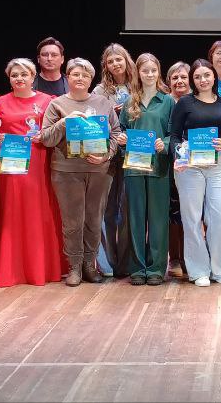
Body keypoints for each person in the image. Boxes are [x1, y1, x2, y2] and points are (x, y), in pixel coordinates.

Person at [40, 57, 122, 286]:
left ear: (91, 79)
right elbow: (46, 139)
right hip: (66, 171)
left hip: (99, 170)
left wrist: (106, 155)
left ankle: (89, 264)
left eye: (85, 75)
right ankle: (74, 266)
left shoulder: (103, 103)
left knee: (94, 219)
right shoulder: (56, 104)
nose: (80, 78)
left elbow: (116, 134)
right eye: (75, 74)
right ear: (67, 77)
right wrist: (64, 122)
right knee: (73, 221)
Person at [0, 58, 66, 287]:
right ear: (9, 78)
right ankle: (9, 270)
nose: (19, 78)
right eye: (14, 75)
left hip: (38, 166)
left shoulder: (48, 101)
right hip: (9, 168)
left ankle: (41, 268)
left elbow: (56, 133)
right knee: (11, 215)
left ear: (33, 77)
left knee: (37, 215)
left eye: (24, 74)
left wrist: (45, 136)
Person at [170, 59, 221, 287]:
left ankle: (217, 269)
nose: (203, 80)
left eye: (206, 75)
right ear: (193, 80)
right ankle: (199, 271)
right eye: (197, 77)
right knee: (192, 219)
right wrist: (179, 155)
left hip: (217, 166)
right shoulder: (184, 103)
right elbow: (174, 136)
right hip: (190, 167)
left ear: (214, 77)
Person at [116, 53, 174, 286]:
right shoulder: (129, 101)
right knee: (135, 219)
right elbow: (121, 131)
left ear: (159, 72)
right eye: (145, 71)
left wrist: (165, 144)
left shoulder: (167, 101)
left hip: (159, 167)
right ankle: (138, 268)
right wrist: (121, 140)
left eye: (153, 70)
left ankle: (157, 268)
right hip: (134, 167)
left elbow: (174, 134)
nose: (149, 74)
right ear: (138, 73)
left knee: (158, 219)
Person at [95, 43, 134, 278]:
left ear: (126, 60)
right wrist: (112, 112)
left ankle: (126, 262)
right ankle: (108, 262)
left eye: (119, 59)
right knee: (108, 209)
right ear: (106, 66)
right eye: (110, 61)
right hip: (109, 153)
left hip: (134, 154)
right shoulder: (100, 91)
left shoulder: (138, 84)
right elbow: (96, 122)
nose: (115, 64)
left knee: (128, 209)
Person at [164, 61, 192, 278]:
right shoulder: (164, 102)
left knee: (191, 213)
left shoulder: (198, 100)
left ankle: (190, 257)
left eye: (183, 77)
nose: (179, 81)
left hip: (194, 164)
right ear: (168, 81)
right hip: (167, 163)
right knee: (172, 212)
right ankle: (174, 258)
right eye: (175, 78)